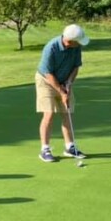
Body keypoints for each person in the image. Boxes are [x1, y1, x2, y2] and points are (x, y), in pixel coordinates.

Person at [36, 24, 90, 162]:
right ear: (69, 41)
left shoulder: (76, 47)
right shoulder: (51, 48)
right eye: (78, 41)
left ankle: (70, 147)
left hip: (64, 80)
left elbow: (76, 67)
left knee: (67, 113)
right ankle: (45, 149)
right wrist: (61, 91)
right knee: (49, 114)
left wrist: (69, 84)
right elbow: (47, 74)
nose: (80, 44)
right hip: (46, 81)